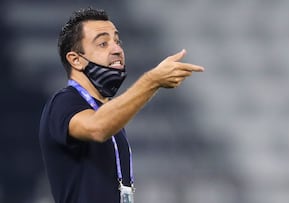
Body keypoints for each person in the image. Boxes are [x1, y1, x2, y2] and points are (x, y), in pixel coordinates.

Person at [38, 7, 204, 203]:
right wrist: (151, 81)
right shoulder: (64, 102)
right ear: (76, 60)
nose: (117, 49)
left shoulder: (105, 112)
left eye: (117, 41)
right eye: (102, 43)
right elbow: (97, 128)